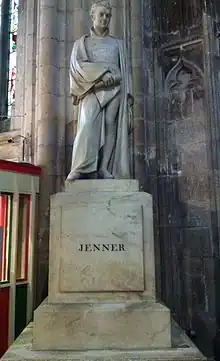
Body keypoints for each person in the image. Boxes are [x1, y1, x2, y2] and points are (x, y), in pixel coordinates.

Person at [66, 0, 133, 181]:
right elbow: (78, 67)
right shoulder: (82, 43)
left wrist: (127, 96)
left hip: (115, 89)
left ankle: (104, 168)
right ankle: (80, 167)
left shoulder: (117, 44)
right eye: (101, 14)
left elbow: (124, 71)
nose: (105, 18)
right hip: (92, 89)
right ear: (92, 16)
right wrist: (102, 73)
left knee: (112, 125)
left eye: (108, 15)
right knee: (87, 124)